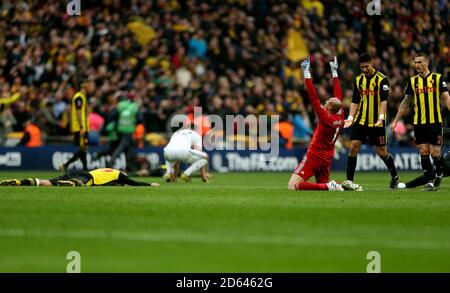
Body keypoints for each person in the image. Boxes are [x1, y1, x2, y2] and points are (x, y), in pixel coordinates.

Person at [288, 57, 355, 191]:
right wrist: (334, 72)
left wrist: (306, 72)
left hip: (314, 155)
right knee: (321, 188)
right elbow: (338, 95)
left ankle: (329, 185)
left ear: (329, 108)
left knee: (292, 186)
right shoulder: (340, 115)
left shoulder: (325, 118)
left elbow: (313, 96)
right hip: (327, 157)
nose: (324, 102)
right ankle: (340, 185)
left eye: (327, 102)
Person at [391, 52, 450, 191]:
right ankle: (430, 181)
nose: (417, 65)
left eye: (420, 62)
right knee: (423, 151)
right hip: (419, 123)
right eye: (415, 62)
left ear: (427, 63)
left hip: (435, 122)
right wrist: (395, 121)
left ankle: (439, 175)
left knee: (435, 153)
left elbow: (446, 97)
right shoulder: (413, 81)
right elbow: (405, 103)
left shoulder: (437, 78)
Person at [343, 53, 400, 189]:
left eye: (366, 66)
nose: (364, 69)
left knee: (382, 152)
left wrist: (381, 118)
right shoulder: (358, 80)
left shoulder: (382, 80)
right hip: (361, 120)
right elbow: (355, 101)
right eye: (361, 67)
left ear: (372, 63)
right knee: (353, 147)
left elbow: (384, 101)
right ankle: (349, 181)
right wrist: (350, 118)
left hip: (376, 122)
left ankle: (395, 177)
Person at [0, 168, 160, 187]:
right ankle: (71, 183)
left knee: (44, 183)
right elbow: (133, 182)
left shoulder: (107, 171)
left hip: (78, 171)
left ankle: (20, 182)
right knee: (79, 184)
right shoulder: (120, 175)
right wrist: (150, 185)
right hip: (86, 176)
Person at [59, 83, 91, 171]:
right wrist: (81, 127)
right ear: (85, 86)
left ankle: (85, 169)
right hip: (81, 127)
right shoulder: (79, 97)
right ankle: (65, 165)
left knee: (83, 149)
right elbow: (78, 112)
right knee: (83, 149)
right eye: (89, 86)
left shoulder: (82, 97)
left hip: (83, 127)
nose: (91, 88)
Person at [107, 95, 140, 170]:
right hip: (129, 128)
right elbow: (140, 118)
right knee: (123, 145)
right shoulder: (134, 106)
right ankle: (112, 160)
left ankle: (131, 165)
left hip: (120, 128)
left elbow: (113, 115)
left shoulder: (120, 106)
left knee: (129, 147)